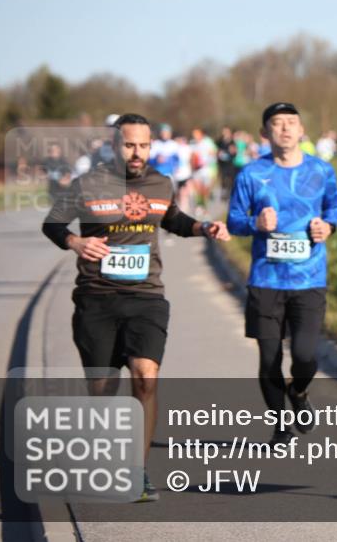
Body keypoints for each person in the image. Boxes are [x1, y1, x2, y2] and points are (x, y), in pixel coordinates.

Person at [41, 113, 231, 502]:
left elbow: (173, 219)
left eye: (143, 145)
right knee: (104, 387)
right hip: (96, 296)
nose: (137, 152)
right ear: (114, 145)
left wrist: (203, 228)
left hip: (147, 296)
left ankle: (137, 472)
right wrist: (75, 243)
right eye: (130, 145)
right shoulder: (88, 184)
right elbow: (53, 223)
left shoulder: (161, 183)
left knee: (146, 377)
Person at [227, 102, 337, 447]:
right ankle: (280, 428)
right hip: (266, 280)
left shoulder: (322, 170)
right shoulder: (251, 174)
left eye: (292, 122)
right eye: (277, 124)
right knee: (268, 357)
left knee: (306, 355)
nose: (285, 129)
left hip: (309, 278)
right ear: (265, 133)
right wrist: (254, 223)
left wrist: (328, 226)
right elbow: (234, 220)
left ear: (302, 129)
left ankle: (299, 389)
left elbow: (333, 206)